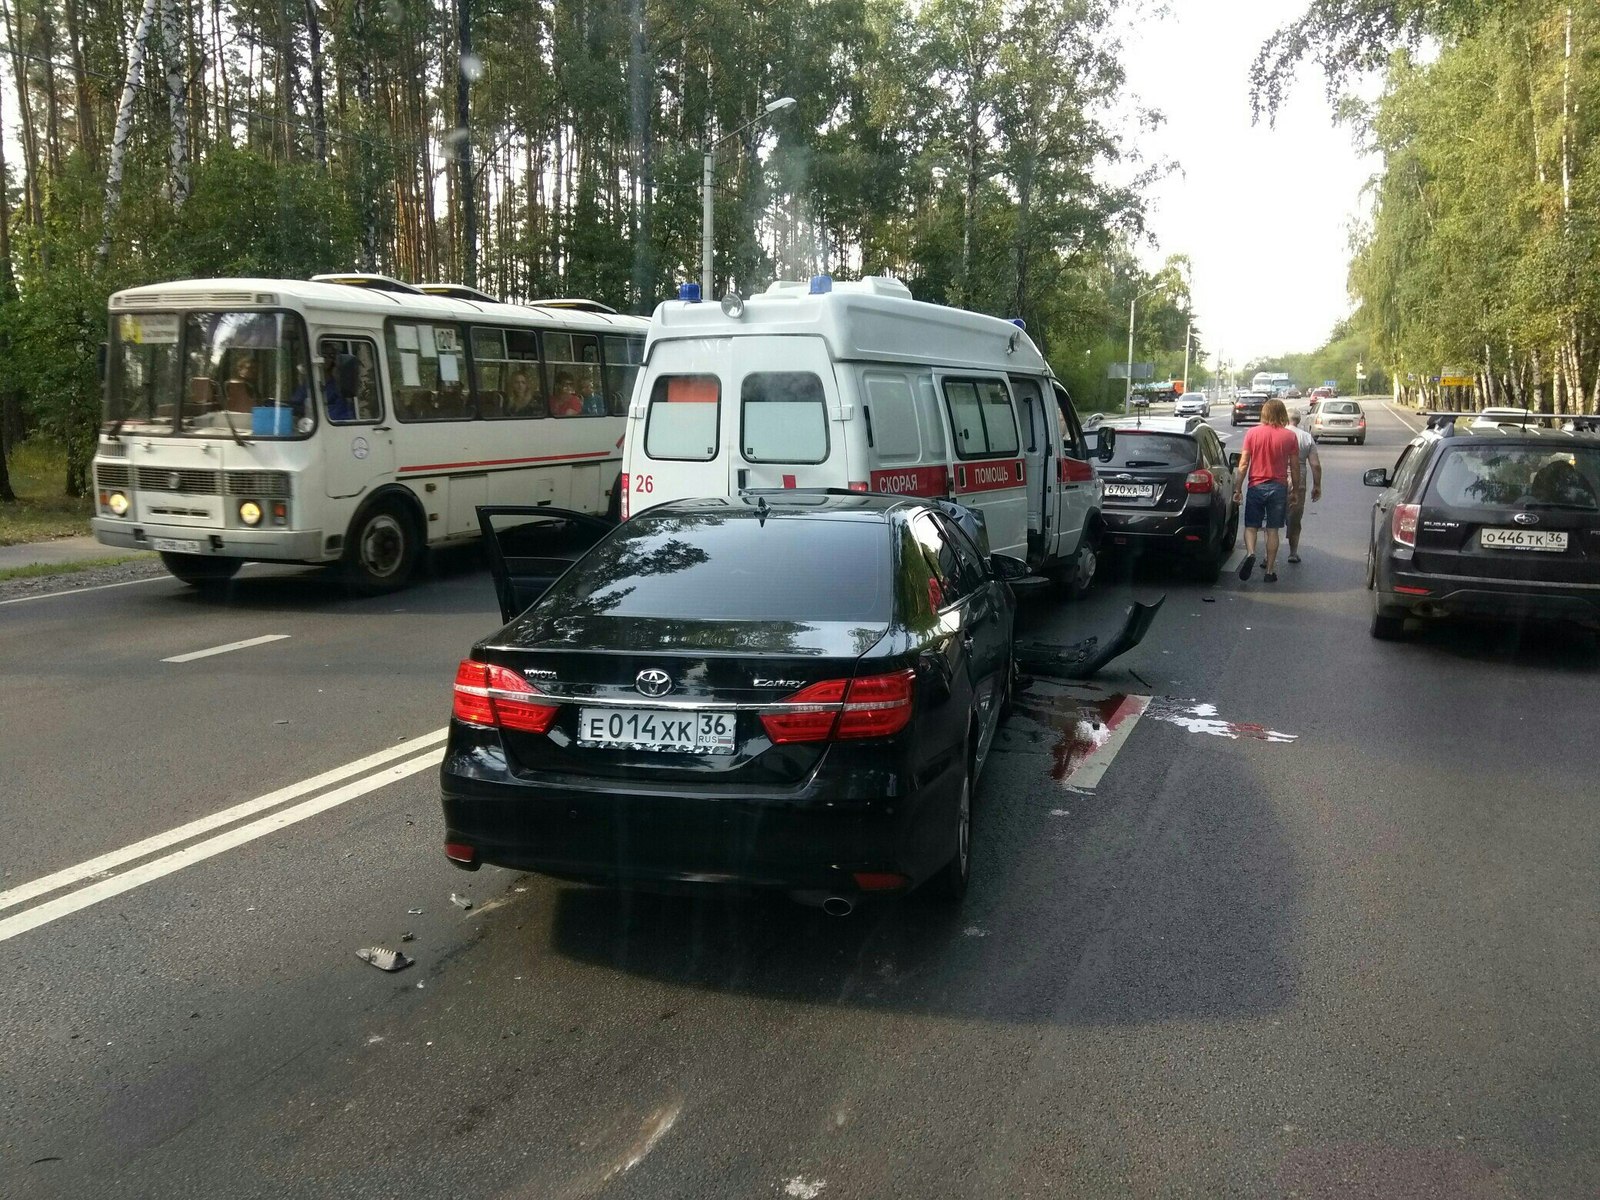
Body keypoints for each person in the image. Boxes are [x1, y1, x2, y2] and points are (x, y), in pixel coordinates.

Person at [1232, 397, 1302, 583]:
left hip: (1256, 486)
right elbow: (1295, 467)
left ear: (1264, 413)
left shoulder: (1252, 434)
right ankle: (1270, 571)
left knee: (1251, 526)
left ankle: (1251, 553)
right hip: (1279, 487)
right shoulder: (1289, 436)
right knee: (1272, 530)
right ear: (1282, 414)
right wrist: (1295, 491)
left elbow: (1244, 463)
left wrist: (1238, 488)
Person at [1285, 409, 1324, 564]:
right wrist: (1317, 485)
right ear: (1299, 421)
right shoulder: (1306, 437)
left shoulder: (1279, 434)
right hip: (1298, 480)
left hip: (1278, 478)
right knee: (1295, 518)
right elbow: (1315, 465)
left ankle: (1268, 557)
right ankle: (1293, 553)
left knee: (1272, 519)